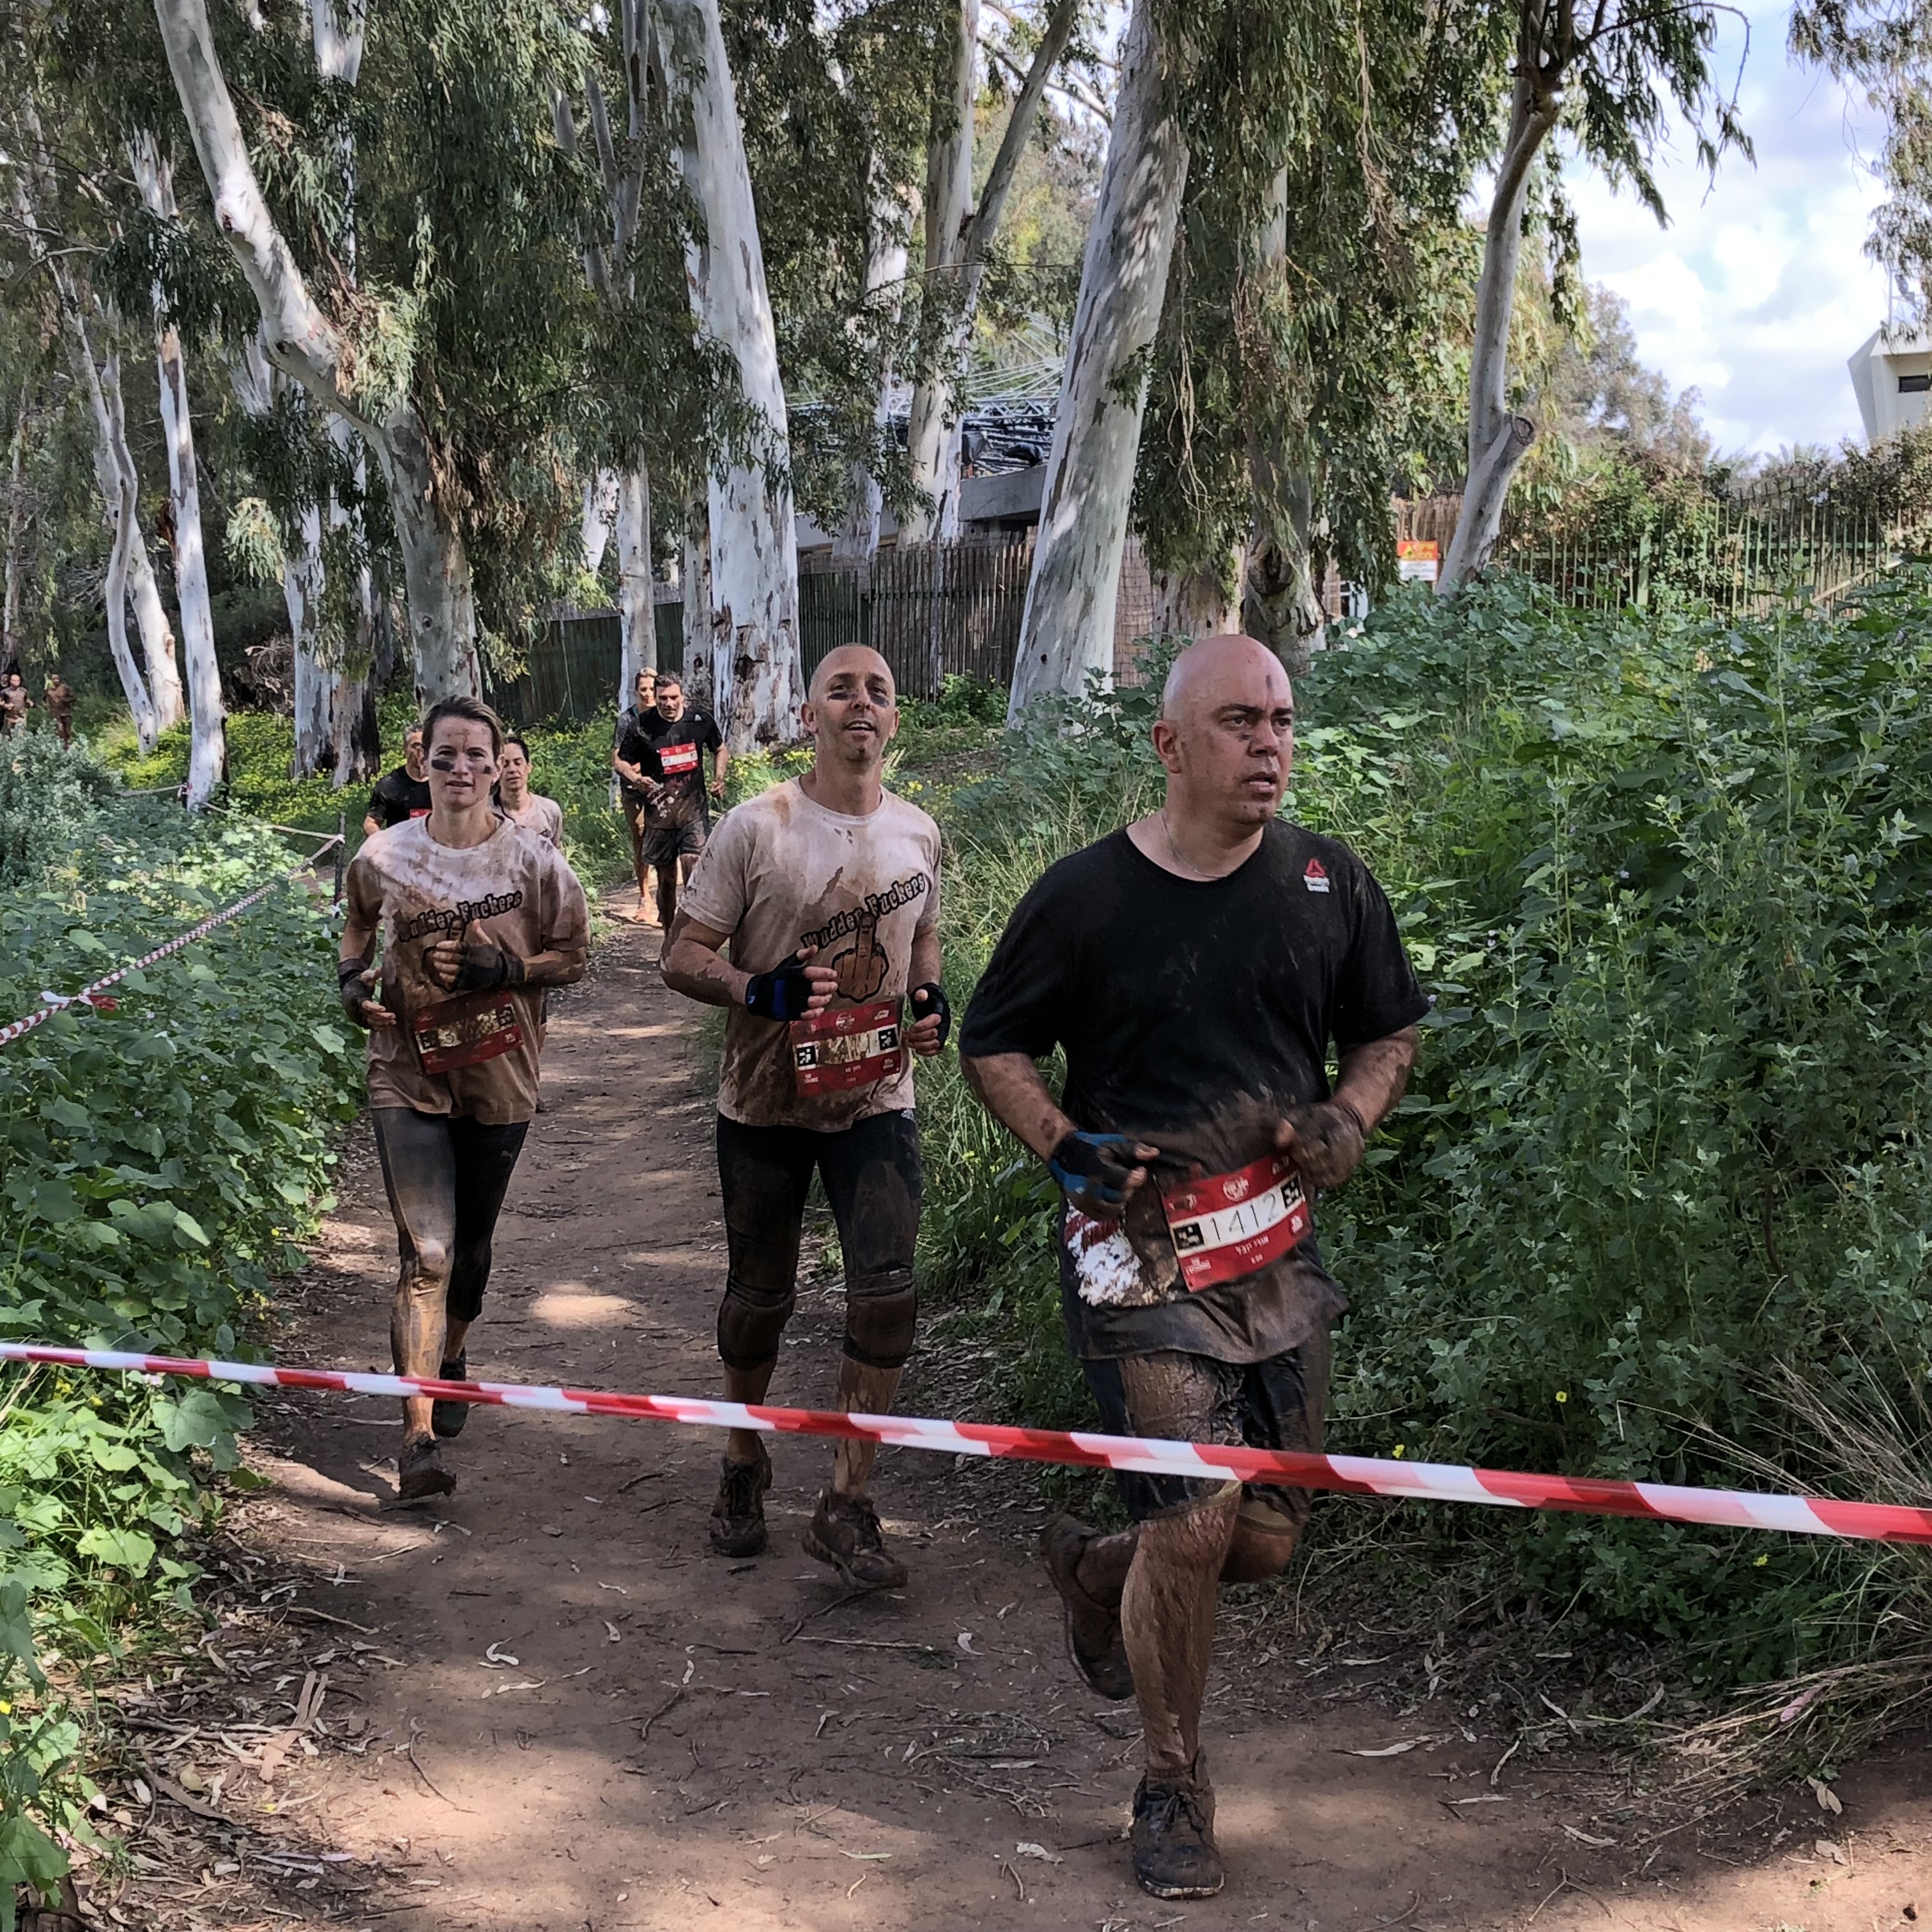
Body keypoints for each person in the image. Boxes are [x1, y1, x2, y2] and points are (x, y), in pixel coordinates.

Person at [958, 634, 1426, 1903]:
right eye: (1238, 722)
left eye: (1280, 720)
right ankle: (1172, 1784)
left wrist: (1348, 1120)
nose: (1269, 745)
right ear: (1170, 744)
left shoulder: (1331, 882)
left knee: (1261, 1544)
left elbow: (1391, 1028)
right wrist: (1066, 1150)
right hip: (1137, 1255)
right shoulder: (1085, 898)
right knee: (1199, 1514)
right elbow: (991, 1045)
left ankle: (1098, 1572)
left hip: (1277, 1255)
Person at [661, 644, 949, 1588]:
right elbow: (681, 955)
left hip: (876, 1099)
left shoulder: (918, 833)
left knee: (888, 1292)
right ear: (808, 711)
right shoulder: (758, 827)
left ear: (894, 720)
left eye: (880, 690)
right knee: (760, 1301)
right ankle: (743, 1462)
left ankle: (846, 1501)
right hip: (765, 1101)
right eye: (842, 689)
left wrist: (929, 1000)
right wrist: (761, 990)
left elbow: (926, 936)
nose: (862, 703)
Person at [338, 697, 589, 1501]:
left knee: (471, 1254)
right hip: (405, 1073)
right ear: (425, 763)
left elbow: (574, 957)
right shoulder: (382, 858)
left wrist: (505, 972)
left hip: (500, 1077)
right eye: (444, 756)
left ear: (497, 765)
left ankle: (452, 1352)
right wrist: (351, 986)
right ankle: (417, 1440)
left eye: (475, 756)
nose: (460, 770)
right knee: (429, 1254)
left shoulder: (535, 863)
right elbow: (354, 930)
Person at [629, 671, 726, 932]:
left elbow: (720, 748)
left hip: (693, 813)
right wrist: (634, 778)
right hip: (659, 817)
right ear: (656, 698)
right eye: (663, 698)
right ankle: (669, 936)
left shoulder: (699, 720)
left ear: (682, 696)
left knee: (693, 872)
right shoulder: (641, 725)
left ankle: (692, 938)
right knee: (667, 882)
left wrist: (719, 777)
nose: (668, 704)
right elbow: (620, 761)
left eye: (673, 698)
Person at [612, 668, 662, 921]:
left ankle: (667, 899)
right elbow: (616, 758)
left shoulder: (666, 716)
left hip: (662, 788)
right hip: (634, 790)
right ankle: (645, 898)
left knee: (666, 838)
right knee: (641, 839)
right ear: (636, 692)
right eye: (644, 689)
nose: (649, 694)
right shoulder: (626, 720)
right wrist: (635, 775)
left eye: (653, 689)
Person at [495, 734, 564, 848]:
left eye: (518, 763)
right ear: (497, 770)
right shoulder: (486, 813)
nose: (512, 770)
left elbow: (556, 855)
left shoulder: (550, 811)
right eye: (505, 765)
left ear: (528, 767)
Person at [364, 726, 431, 836]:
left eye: (425, 746)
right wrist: (384, 843)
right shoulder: (389, 785)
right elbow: (371, 823)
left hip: (435, 850)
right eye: (416, 746)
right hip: (402, 850)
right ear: (405, 748)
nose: (421, 751)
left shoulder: (442, 783)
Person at [43, 673, 74, 747]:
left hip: (66, 713)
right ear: (51, 680)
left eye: (57, 679)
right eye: (54, 679)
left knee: (67, 732)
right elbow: (44, 700)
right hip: (55, 714)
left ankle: (69, 746)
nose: (56, 680)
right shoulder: (49, 690)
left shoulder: (65, 688)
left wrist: (66, 700)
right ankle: (61, 747)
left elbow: (74, 698)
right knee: (60, 731)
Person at [0, 670, 29, 736]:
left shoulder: (23, 691)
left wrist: (30, 703)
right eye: (14, 681)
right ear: (10, 681)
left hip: (21, 718)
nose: (16, 683)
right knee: (9, 737)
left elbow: (27, 699)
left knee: (20, 736)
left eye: (18, 681)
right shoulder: (5, 692)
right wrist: (6, 705)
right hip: (10, 718)